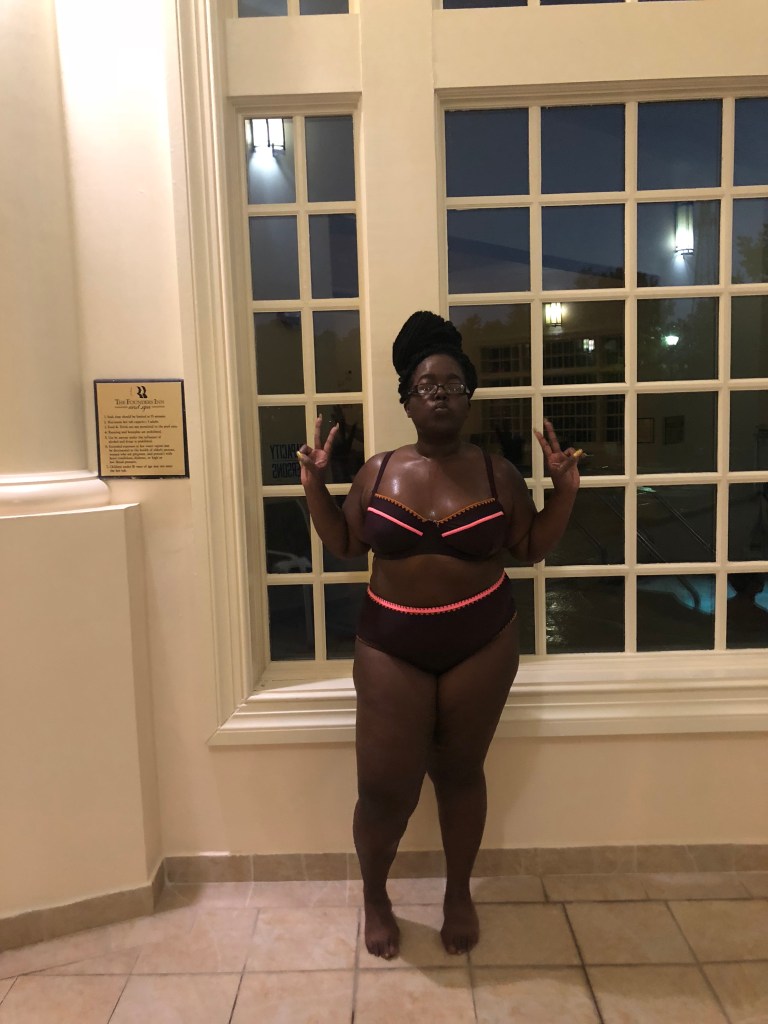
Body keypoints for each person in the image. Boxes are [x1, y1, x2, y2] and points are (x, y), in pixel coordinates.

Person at [297, 311, 580, 959]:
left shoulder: (498, 474)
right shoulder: (376, 472)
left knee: (459, 773)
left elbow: (529, 547)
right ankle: (375, 896)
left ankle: (458, 893)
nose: (441, 394)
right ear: (407, 400)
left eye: (454, 385)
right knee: (384, 789)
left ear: (469, 397)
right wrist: (314, 485)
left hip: (482, 641)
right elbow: (345, 545)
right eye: (427, 385)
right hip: (390, 644)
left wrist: (564, 491)